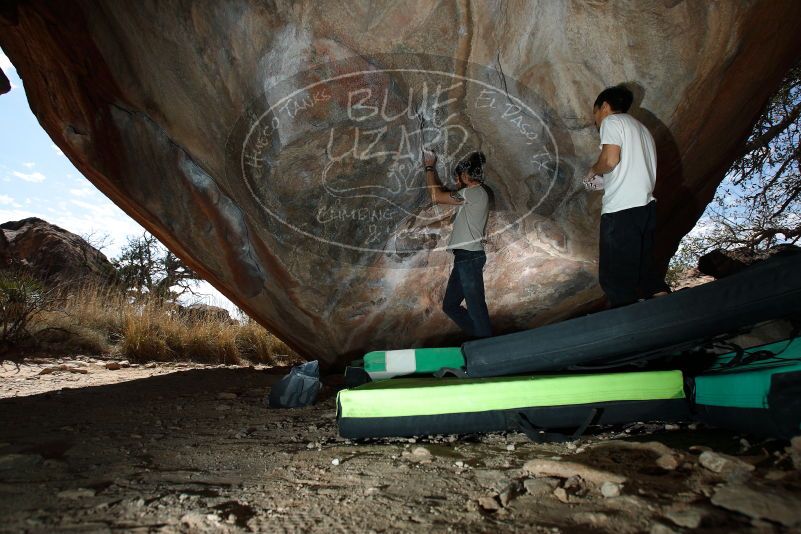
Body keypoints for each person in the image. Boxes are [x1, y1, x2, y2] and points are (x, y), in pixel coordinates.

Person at [586, 84, 670, 308]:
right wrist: (603, 180)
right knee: (646, 274)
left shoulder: (611, 122)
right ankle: (665, 314)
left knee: (616, 276)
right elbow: (627, 168)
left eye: (595, 113)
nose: (595, 120)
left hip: (621, 209)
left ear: (604, 106)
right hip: (646, 207)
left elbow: (610, 160)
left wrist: (594, 170)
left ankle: (627, 326)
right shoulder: (642, 129)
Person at [423, 150, 493, 338]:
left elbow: (436, 196)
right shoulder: (475, 194)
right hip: (464, 257)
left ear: (465, 175)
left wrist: (429, 165)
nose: (457, 180)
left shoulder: (473, 193)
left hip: (469, 257)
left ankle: (487, 347)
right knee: (450, 306)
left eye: (459, 175)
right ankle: (480, 339)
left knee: (476, 307)